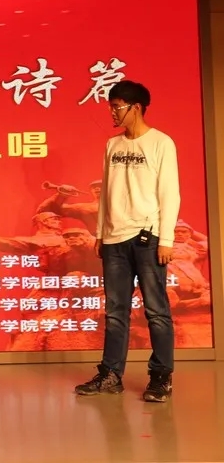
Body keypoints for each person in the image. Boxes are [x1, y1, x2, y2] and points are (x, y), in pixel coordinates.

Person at [75, 80, 178, 403]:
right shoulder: (113, 145)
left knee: (156, 311)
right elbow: (106, 193)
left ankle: (160, 376)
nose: (112, 112)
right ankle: (111, 374)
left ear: (136, 107)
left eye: (117, 106)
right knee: (115, 312)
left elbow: (170, 193)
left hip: (148, 238)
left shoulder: (161, 143)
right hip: (114, 240)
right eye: (111, 106)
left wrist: (167, 238)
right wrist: (100, 233)